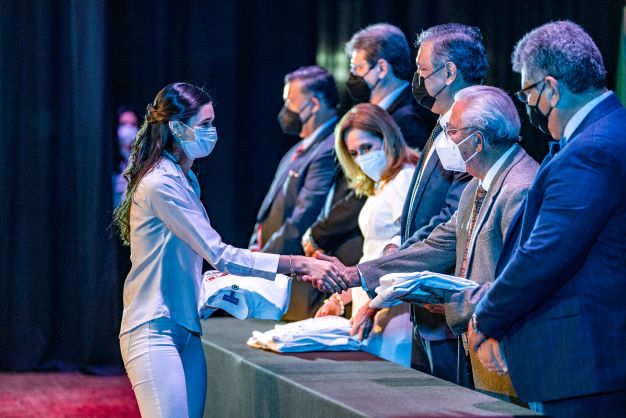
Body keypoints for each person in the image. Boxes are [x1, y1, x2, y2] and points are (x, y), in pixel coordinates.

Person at [112, 83, 346, 418]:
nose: (213, 132)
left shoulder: (185, 178)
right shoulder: (160, 182)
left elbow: (187, 253)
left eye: (213, 123)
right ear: (177, 127)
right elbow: (219, 252)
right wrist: (299, 264)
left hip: (187, 326)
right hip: (153, 326)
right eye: (204, 124)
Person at [468, 21, 626, 417]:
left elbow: (545, 254)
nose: (529, 107)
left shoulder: (591, 149)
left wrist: (487, 318)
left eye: (527, 93)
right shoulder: (609, 131)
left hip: (583, 361)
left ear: (552, 88)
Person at [350, 23, 485, 382]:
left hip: (447, 307)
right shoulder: (443, 123)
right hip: (425, 306)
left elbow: (454, 219)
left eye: (423, 71)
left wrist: (393, 259)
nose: (419, 81)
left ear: (449, 72)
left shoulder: (471, 126)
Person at [315, 103, 418, 367]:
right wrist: (343, 296)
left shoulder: (404, 179)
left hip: (391, 308)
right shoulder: (381, 185)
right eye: (354, 152)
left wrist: (373, 305)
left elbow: (403, 252)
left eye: (367, 148)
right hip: (369, 305)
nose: (361, 157)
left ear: (387, 137)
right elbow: (372, 252)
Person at [249, 66, 339, 320]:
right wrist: (254, 249)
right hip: (277, 273)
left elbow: (303, 216)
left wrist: (261, 261)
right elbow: (269, 209)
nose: (286, 109)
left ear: (313, 104)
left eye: (291, 101)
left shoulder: (328, 148)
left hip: (297, 279)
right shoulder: (298, 149)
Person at [345, 23, 436, 150]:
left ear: (382, 68)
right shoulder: (380, 111)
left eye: (358, 68)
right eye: (352, 68)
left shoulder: (408, 120)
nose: (353, 75)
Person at [113, 106, 139, 208]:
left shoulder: (142, 159)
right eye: (123, 124)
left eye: (133, 124)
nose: (128, 129)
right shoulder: (109, 161)